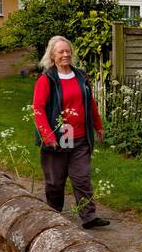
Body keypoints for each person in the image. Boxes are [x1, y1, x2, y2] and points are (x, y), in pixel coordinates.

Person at [32, 35, 110, 229]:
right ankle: (53, 215)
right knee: (55, 182)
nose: (65, 55)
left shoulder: (81, 76)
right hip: (59, 138)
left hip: (81, 137)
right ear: (52, 55)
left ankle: (88, 217)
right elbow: (38, 109)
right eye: (61, 52)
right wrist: (48, 135)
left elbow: (89, 102)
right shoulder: (46, 79)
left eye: (68, 51)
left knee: (82, 177)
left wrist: (98, 125)